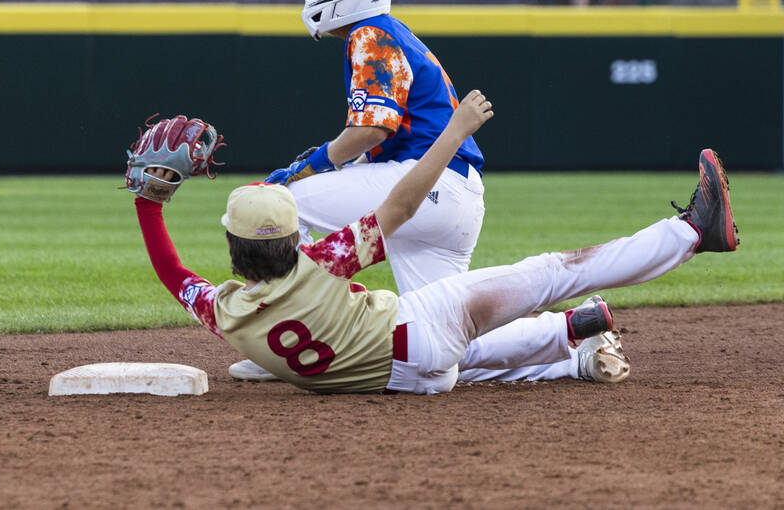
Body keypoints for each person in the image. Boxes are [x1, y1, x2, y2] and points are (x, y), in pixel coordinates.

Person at [131, 96, 739, 394]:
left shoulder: (225, 314)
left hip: (407, 380)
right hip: (425, 326)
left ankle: (569, 337)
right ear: (296, 237)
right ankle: (690, 232)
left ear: (234, 250)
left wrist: (147, 203)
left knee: (466, 360)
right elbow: (400, 205)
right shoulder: (321, 262)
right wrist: (454, 130)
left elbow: (171, 271)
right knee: (555, 271)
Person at [229, 0, 609, 385]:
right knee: (438, 340)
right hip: (456, 198)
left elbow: (372, 130)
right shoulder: (389, 33)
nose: (310, 0)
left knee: (285, 201)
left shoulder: (369, 34)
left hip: (425, 186)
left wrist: (308, 166)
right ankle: (576, 349)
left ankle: (284, 334)